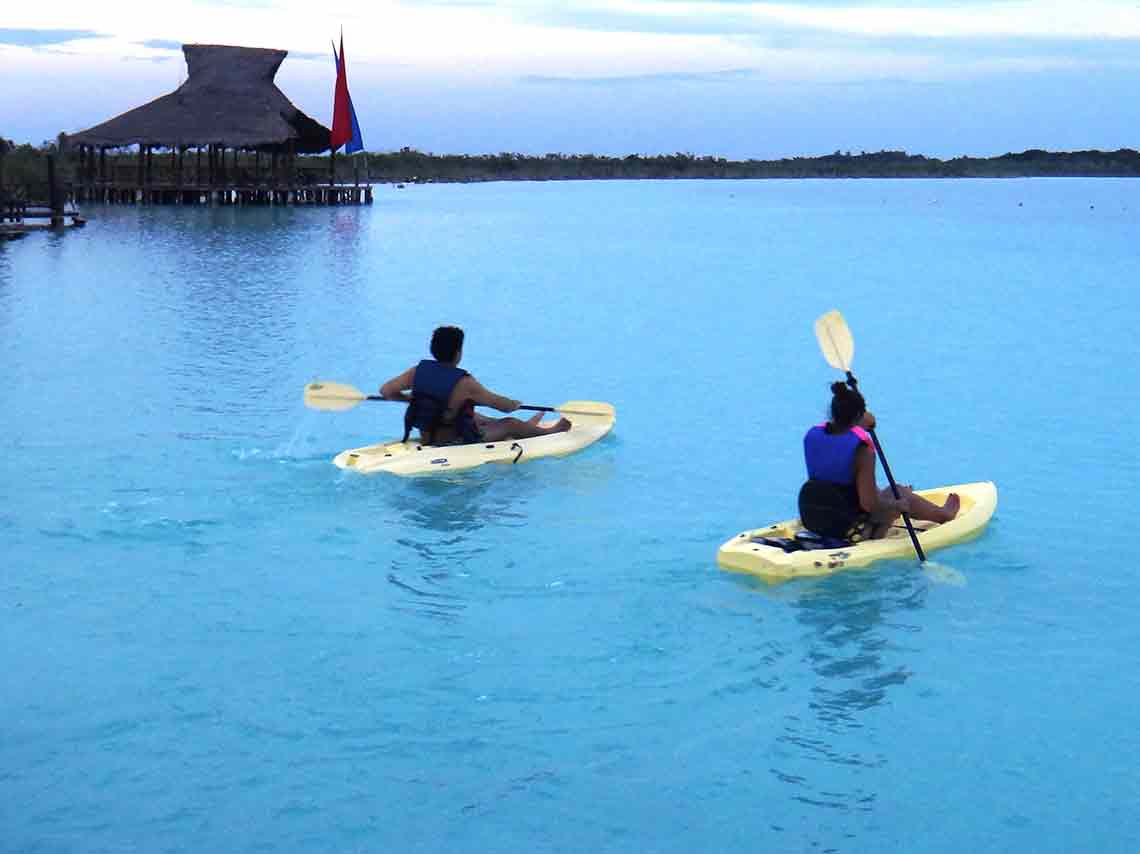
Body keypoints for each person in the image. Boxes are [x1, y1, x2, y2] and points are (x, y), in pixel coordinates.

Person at [798, 382, 960, 540]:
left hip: (814, 518)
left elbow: (839, 478)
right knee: (899, 494)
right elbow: (869, 505)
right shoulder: (862, 450)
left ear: (833, 412)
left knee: (884, 492)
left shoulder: (812, 435)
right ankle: (944, 515)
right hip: (848, 529)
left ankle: (889, 500)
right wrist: (896, 506)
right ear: (858, 417)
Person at [379, 326, 571, 445]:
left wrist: (410, 400)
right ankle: (550, 432)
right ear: (458, 352)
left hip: (428, 437)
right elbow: (502, 407)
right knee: (510, 424)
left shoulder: (416, 371)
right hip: (455, 441)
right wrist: (514, 404)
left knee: (477, 416)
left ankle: (526, 428)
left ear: (433, 349)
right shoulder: (465, 383)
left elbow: (386, 391)